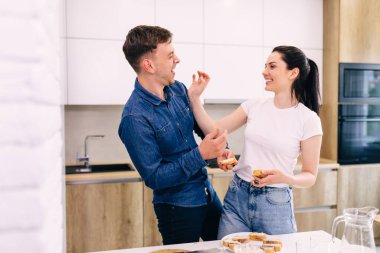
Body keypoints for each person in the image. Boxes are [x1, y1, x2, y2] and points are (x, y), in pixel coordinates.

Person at [188, 46, 323, 238]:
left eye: (272, 66)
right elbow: (215, 130)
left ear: (293, 73)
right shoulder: (254, 106)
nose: (264, 71)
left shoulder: (308, 119)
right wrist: (195, 98)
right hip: (238, 196)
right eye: (265, 66)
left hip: (275, 203)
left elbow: (310, 175)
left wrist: (286, 178)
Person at [118, 25, 234, 245]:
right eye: (170, 55)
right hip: (176, 208)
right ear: (148, 65)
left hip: (206, 194)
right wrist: (201, 154)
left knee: (224, 248)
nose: (177, 60)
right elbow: (155, 177)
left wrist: (218, 153)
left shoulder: (178, 90)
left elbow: (205, 135)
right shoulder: (134, 118)